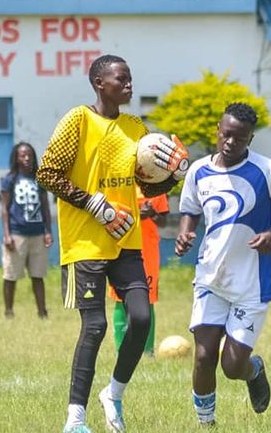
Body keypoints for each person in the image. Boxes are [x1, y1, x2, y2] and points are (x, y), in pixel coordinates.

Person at [36, 54, 189, 433]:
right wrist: (93, 204)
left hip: (126, 241)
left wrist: (174, 175)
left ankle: (114, 394)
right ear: (99, 83)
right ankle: (75, 418)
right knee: (95, 326)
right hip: (85, 243)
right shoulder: (78, 120)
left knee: (141, 318)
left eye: (130, 78)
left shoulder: (136, 128)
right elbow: (48, 173)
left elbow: (147, 187)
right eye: (121, 79)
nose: (129, 84)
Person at [174, 102, 271, 426]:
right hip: (210, 278)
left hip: (251, 283)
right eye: (226, 134)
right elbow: (190, 209)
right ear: (217, 130)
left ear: (250, 139)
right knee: (204, 356)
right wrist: (185, 233)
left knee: (232, 367)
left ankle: (254, 370)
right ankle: (207, 424)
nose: (230, 142)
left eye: (240, 138)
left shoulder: (267, 170)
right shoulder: (198, 171)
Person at [107, 188, 169, 356]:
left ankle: (147, 351)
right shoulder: (119, 184)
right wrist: (135, 215)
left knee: (148, 298)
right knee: (121, 298)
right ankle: (121, 350)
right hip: (122, 247)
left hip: (148, 250)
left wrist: (152, 214)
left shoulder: (156, 187)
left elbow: (164, 221)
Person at [0, 142, 53, 319]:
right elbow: (4, 209)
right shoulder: (10, 179)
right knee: (11, 275)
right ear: (16, 158)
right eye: (22, 155)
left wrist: (48, 231)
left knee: (38, 275)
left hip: (37, 233)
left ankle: (42, 312)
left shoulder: (39, 179)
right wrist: (7, 235)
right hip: (17, 233)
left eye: (29, 154)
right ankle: (8, 311)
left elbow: (45, 207)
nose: (27, 158)